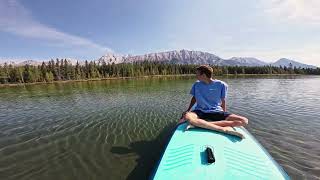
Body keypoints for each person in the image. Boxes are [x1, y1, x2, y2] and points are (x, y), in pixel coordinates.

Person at [180, 65, 248, 138]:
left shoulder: (221, 85)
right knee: (187, 117)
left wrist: (224, 113)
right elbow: (194, 98)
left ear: (203, 75)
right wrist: (188, 110)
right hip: (200, 111)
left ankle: (201, 124)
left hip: (216, 111)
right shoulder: (196, 84)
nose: (196, 76)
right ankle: (223, 129)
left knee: (244, 121)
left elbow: (223, 100)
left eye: (197, 74)